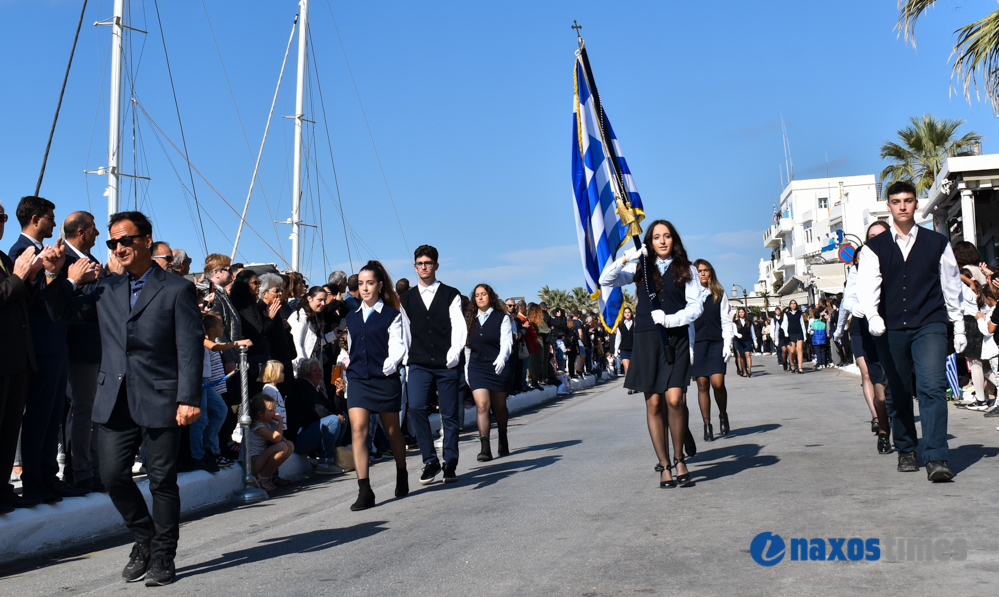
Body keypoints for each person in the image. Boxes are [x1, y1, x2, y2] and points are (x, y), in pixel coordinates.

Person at [55, 211, 202, 585]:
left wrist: (188, 398)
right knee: (113, 476)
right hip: (114, 399)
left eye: (126, 240)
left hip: (161, 398)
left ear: (146, 241)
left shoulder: (176, 288)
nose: (118, 247)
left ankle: (163, 556)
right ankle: (145, 539)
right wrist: (61, 278)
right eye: (112, 243)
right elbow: (61, 313)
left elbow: (189, 348)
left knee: (161, 482)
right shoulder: (106, 288)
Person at [857, 180, 963, 482]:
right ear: (888, 206)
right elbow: (868, 285)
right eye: (896, 201)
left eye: (907, 200)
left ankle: (937, 457)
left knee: (931, 387)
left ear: (916, 204)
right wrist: (873, 314)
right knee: (899, 389)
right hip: (890, 328)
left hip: (930, 323)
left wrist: (956, 324)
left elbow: (951, 284)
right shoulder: (874, 247)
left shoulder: (936, 242)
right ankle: (905, 448)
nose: (902, 206)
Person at [599, 220, 703, 488]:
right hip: (646, 340)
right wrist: (626, 257)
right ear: (650, 241)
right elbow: (605, 280)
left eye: (667, 236)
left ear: (674, 239)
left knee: (675, 399)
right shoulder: (640, 266)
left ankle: (680, 458)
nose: (662, 241)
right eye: (657, 237)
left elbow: (696, 308)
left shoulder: (687, 269)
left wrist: (670, 320)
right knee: (654, 403)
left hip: (675, 338)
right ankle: (665, 464)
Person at [9, 196, 90, 503]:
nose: (54, 224)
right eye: (49, 217)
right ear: (35, 218)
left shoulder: (40, 252)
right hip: (41, 345)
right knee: (39, 416)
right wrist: (66, 280)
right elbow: (40, 302)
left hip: (56, 344)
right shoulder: (23, 252)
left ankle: (46, 476)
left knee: (53, 415)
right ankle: (34, 481)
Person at [0, 199, 56, 512]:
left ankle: (3, 490)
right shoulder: (12, 260)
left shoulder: (3, 259)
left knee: (10, 429)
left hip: (18, 357)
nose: (2, 222)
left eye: (3, 217)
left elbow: (22, 300)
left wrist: (33, 277)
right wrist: (20, 277)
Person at [340, 260, 409, 510]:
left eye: (370, 283)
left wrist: (393, 361)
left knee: (392, 431)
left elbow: (398, 344)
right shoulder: (352, 316)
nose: (365, 288)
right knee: (358, 429)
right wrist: (345, 357)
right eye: (361, 284)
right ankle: (364, 489)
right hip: (358, 378)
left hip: (384, 379)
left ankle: (402, 472)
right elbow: (352, 345)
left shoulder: (392, 315)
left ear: (380, 285)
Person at [398, 245, 467, 485]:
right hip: (417, 362)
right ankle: (430, 460)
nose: (423, 267)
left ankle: (450, 462)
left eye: (428, 263)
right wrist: (406, 360)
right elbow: (404, 331)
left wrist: (455, 351)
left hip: (446, 362)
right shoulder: (405, 298)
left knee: (449, 414)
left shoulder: (450, 294)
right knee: (416, 407)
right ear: (415, 266)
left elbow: (458, 324)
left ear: (436, 265)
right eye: (419, 263)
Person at [835, 221, 892, 453]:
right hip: (863, 326)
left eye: (881, 235)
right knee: (870, 375)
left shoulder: (897, 260)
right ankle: (879, 420)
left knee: (896, 382)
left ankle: (902, 431)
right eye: (872, 236)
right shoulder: (858, 270)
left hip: (894, 325)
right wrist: (839, 330)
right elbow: (846, 301)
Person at [61, 210, 106, 492]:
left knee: (92, 412)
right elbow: (63, 305)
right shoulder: (63, 260)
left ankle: (90, 469)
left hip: (95, 348)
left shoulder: (91, 263)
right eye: (93, 229)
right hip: (78, 348)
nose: (97, 234)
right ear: (81, 232)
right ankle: (81, 472)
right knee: (83, 412)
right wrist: (93, 282)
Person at [464, 284, 513, 462]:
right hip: (477, 367)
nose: (480, 298)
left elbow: (507, 342)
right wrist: (467, 371)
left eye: (483, 294)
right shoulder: (469, 319)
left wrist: (502, 358)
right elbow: (467, 348)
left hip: (497, 366)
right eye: (477, 295)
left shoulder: (502, 317)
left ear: (490, 296)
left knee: (499, 406)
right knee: (482, 405)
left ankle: (503, 437)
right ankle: (485, 447)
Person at [691, 259, 734, 441]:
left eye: (706, 270)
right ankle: (706, 424)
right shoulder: (689, 296)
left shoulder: (719, 293)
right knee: (702, 385)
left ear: (710, 273)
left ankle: (723, 414)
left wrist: (727, 344)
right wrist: (689, 348)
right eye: (699, 271)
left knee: (717, 383)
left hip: (716, 343)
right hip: (698, 344)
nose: (703, 273)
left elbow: (726, 321)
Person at [289, 358, 346, 475]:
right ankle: (325, 463)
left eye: (320, 370)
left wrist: (338, 393)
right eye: (315, 370)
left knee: (342, 416)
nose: (319, 373)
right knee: (334, 420)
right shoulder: (303, 387)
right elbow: (320, 412)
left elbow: (334, 409)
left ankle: (335, 456)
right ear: (305, 372)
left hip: (309, 434)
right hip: (300, 440)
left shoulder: (315, 389)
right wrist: (336, 417)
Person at [247, 394, 294, 491]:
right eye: (271, 410)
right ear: (260, 413)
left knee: (289, 445)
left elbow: (278, 437)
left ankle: (268, 475)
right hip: (251, 462)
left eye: (274, 409)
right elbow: (276, 438)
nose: (274, 413)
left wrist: (282, 439)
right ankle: (263, 477)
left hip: (260, 458)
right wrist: (280, 422)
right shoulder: (257, 425)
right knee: (282, 446)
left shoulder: (268, 423)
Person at [289, 285, 335, 370]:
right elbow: (297, 342)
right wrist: (303, 364)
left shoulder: (315, 317)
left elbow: (316, 343)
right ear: (309, 299)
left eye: (325, 301)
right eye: (320, 300)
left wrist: (333, 335)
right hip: (303, 368)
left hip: (313, 365)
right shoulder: (300, 316)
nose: (323, 304)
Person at [781, 300, 807, 373]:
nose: (793, 305)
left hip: (799, 332)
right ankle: (792, 364)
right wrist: (786, 333)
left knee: (799, 349)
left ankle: (800, 367)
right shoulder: (787, 314)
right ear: (790, 305)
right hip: (791, 333)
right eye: (791, 304)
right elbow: (785, 324)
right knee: (792, 351)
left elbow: (802, 324)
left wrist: (804, 335)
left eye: (794, 303)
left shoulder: (799, 313)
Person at [615, 307, 636, 390]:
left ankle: (635, 384)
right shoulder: (620, 325)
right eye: (625, 312)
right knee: (627, 368)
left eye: (629, 312)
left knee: (633, 368)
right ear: (623, 314)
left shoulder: (635, 323)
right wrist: (616, 350)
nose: (627, 314)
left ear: (631, 313)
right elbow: (618, 338)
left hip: (634, 349)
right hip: (624, 349)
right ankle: (629, 386)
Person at [732, 307, 755, 377]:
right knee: (741, 356)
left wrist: (755, 341)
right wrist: (737, 335)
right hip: (739, 341)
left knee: (748, 354)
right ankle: (744, 370)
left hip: (747, 339)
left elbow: (752, 332)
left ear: (745, 313)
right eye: (740, 312)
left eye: (742, 312)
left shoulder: (749, 321)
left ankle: (750, 370)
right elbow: (734, 331)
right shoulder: (735, 322)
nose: (741, 314)